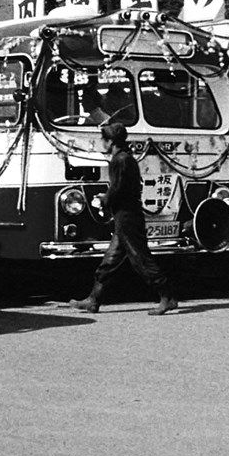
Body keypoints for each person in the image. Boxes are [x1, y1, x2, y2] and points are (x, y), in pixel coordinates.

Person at [69, 123, 178, 315]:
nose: (102, 142)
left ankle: (167, 296)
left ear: (110, 142)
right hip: (125, 215)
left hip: (127, 217)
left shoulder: (120, 160)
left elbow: (118, 189)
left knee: (140, 258)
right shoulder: (125, 158)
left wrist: (104, 200)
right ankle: (93, 300)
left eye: (104, 139)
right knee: (110, 261)